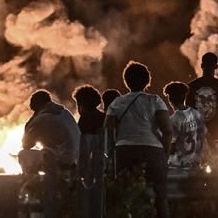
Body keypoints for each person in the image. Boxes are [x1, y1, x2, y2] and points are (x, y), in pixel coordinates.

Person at [105, 61, 171, 218]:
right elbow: (167, 131)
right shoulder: (155, 101)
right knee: (160, 195)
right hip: (152, 151)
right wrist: (164, 155)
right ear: (147, 81)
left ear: (126, 81)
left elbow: (108, 130)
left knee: (124, 195)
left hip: (124, 152)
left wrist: (111, 153)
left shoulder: (117, 103)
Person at [188, 52, 218, 171]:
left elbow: (189, 114)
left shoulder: (192, 86)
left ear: (201, 65)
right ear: (216, 67)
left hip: (197, 139)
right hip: (217, 138)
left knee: (197, 178)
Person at [73, 85, 106, 217]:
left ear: (81, 104)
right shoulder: (104, 117)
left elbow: (81, 145)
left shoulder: (85, 119)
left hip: (88, 167)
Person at [164, 81, 206, 170]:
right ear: (184, 97)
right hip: (195, 165)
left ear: (170, 99)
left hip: (178, 167)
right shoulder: (197, 115)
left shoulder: (173, 120)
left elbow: (171, 146)